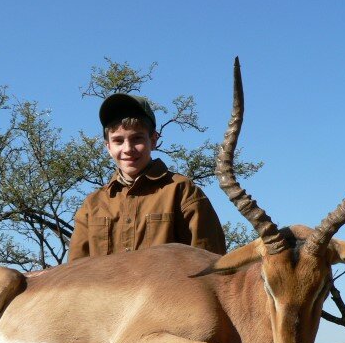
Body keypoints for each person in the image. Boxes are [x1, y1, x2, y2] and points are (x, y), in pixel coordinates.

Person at [68, 93, 226, 262]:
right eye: (118, 141)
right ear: (108, 147)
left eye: (137, 138)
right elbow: (75, 275)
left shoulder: (182, 190)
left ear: (153, 140)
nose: (128, 149)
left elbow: (212, 265)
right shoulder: (92, 204)